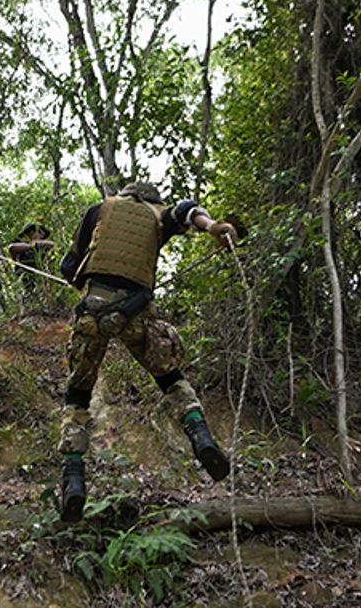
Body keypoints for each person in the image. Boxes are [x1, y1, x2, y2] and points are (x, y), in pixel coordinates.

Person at [54, 178, 237, 521]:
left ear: (124, 195)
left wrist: (84, 282)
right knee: (170, 378)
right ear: (152, 198)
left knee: (78, 394)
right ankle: (201, 437)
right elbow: (187, 210)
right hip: (135, 311)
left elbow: (68, 267)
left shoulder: (99, 209)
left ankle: (74, 481)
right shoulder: (158, 214)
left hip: (93, 309)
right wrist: (214, 227)